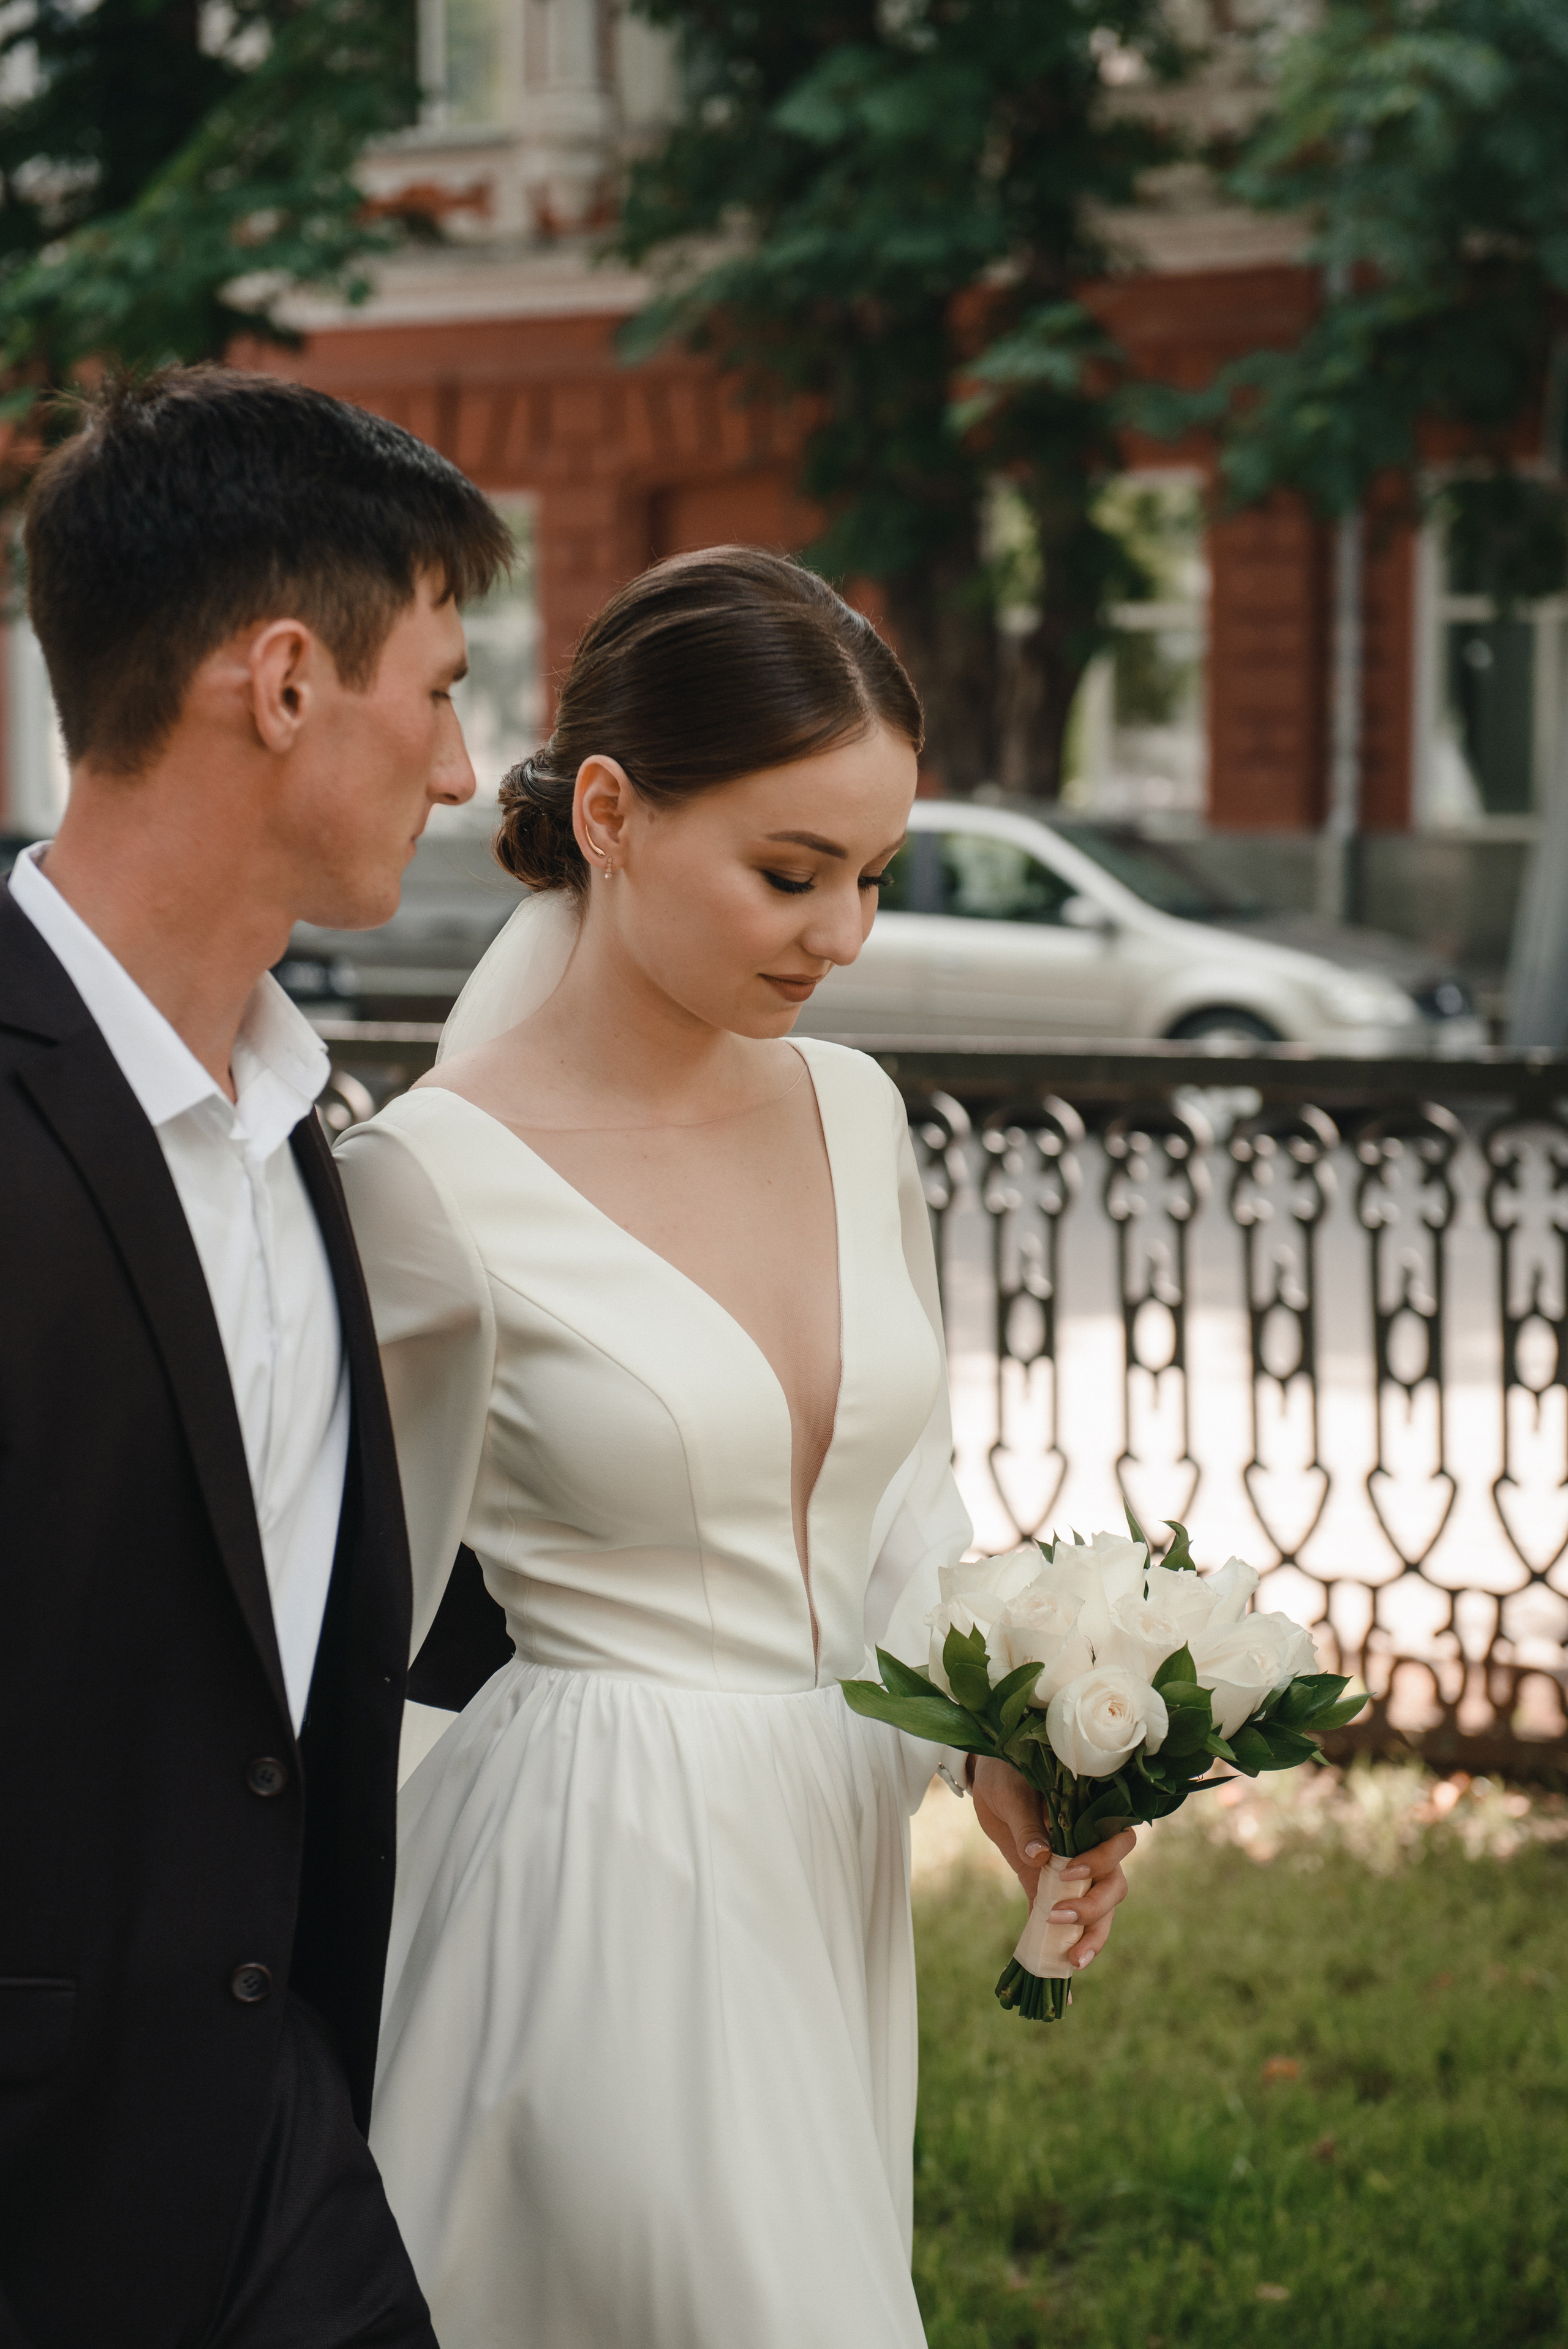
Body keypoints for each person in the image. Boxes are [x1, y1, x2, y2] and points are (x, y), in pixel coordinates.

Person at [337, 548, 1136, 2348]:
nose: (841, 934)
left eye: (872, 876)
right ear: (609, 813)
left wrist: (1004, 1749)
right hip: (595, 1880)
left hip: (825, 1872)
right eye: (790, 873)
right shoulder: (428, 1183)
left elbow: (899, 1507)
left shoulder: (856, 1112)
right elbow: (337, 1624)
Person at [0, 366, 510, 2349]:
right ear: (285, 682)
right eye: (444, 688)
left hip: (286, 2149)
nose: (465, 770)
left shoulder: (308, 1135)